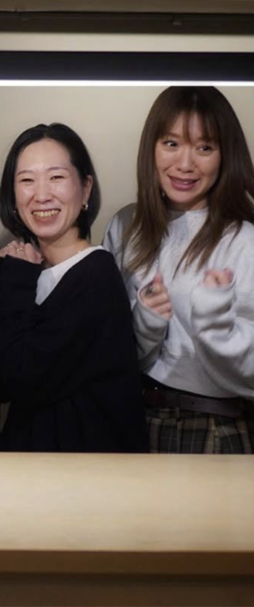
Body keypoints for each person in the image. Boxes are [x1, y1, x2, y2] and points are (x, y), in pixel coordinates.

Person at [104, 86, 254, 453]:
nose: (185, 164)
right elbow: (107, 351)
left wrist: (214, 325)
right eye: (171, 143)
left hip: (215, 426)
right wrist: (146, 321)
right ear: (151, 148)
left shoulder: (245, 239)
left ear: (225, 155)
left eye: (204, 147)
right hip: (131, 417)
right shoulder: (125, 226)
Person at [0, 123, 147, 452]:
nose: (41, 194)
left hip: (82, 474)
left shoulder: (95, 277)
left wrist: (16, 279)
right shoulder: (25, 272)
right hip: (28, 472)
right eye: (26, 180)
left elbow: (18, 376)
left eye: (56, 177)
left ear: (86, 188)